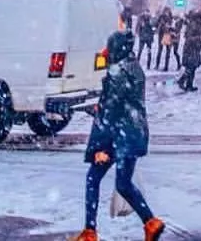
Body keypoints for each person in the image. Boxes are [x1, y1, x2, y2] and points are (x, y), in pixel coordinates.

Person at [73, 29, 164, 241]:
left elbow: (111, 113)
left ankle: (90, 231)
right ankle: (151, 222)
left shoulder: (117, 74)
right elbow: (124, 104)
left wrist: (101, 148)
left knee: (93, 178)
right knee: (123, 183)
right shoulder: (135, 68)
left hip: (117, 137)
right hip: (134, 133)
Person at [178, 9, 201, 92]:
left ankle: (189, 85)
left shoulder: (199, 25)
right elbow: (189, 38)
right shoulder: (193, 25)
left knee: (193, 67)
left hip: (195, 49)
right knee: (190, 68)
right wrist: (199, 38)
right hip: (190, 49)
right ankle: (182, 81)